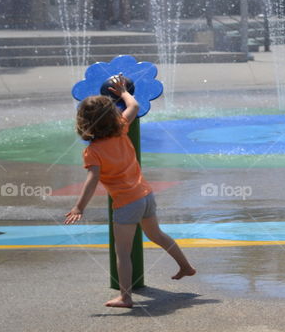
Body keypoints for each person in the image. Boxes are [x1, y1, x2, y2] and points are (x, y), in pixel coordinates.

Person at [64, 74, 195, 308]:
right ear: (113, 115)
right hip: (145, 195)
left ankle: (125, 297)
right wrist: (123, 90)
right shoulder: (122, 128)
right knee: (157, 235)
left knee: (123, 253)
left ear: (84, 122)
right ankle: (185, 265)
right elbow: (134, 105)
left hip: (126, 204)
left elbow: (92, 180)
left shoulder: (92, 151)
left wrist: (79, 207)